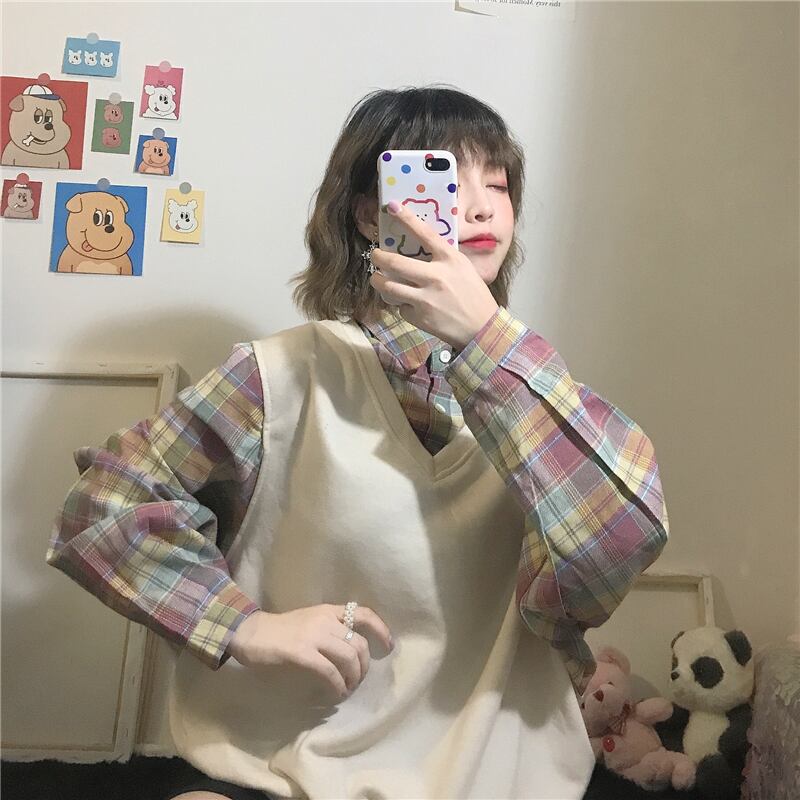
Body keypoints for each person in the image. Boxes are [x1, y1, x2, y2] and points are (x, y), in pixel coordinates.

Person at [46, 85, 670, 800]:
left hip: (499, 774)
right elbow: (102, 506)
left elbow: (623, 542)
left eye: (497, 185)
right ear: (373, 214)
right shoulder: (279, 374)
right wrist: (240, 626)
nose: (478, 207)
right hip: (285, 763)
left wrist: (486, 341)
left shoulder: (538, 397)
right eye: (444, 178)